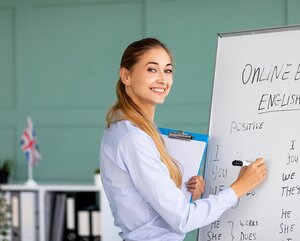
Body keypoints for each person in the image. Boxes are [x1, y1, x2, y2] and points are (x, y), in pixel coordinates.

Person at [99, 38, 267, 241]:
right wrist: (240, 186)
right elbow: (183, 219)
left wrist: (184, 194)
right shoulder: (133, 138)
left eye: (168, 70)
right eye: (152, 70)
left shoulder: (126, 131)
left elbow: (146, 208)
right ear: (126, 76)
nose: (163, 79)